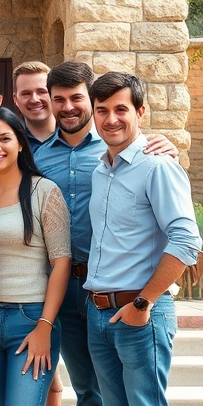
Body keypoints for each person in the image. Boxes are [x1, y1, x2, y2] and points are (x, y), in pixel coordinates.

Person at [34, 61, 178, 406]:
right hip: (69, 286)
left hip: (127, 287)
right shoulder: (40, 159)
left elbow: (180, 231)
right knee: (89, 389)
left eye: (76, 98)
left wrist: (146, 300)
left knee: (138, 397)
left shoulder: (131, 152)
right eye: (59, 99)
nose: (68, 107)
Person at [83, 72, 201, 406]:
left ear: (141, 112)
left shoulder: (157, 166)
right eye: (102, 110)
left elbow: (186, 240)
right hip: (99, 311)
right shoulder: (100, 169)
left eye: (121, 109)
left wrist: (143, 303)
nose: (111, 119)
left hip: (140, 312)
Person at [0, 108, 71, 406]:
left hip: (30, 319)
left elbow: (61, 262)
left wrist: (45, 325)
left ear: (20, 143)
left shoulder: (43, 191)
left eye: (4, 138)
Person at [12, 62, 55, 152]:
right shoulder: (10, 143)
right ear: (15, 99)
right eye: (26, 94)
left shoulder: (73, 139)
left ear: (54, 94)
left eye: (41, 92)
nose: (34, 100)